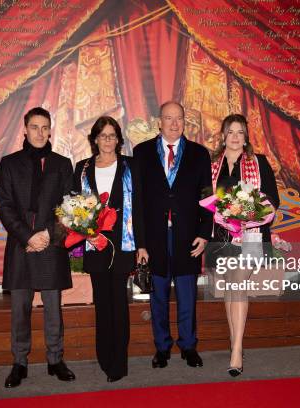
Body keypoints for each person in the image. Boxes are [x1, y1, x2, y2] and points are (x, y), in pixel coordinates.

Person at [0, 107, 76, 387]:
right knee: (20, 309)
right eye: (34, 127)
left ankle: (55, 359)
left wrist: (46, 236)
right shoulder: (9, 163)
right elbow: (4, 207)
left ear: (50, 130)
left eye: (44, 128)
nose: (40, 133)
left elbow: (70, 207)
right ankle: (19, 362)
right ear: (25, 130)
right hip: (20, 245)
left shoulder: (63, 164)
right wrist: (27, 237)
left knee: (54, 308)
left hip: (51, 245)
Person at [133, 101, 212, 369]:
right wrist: (140, 243)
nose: (174, 124)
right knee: (158, 297)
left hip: (188, 236)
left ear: (184, 121)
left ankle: (189, 346)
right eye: (169, 118)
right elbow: (138, 202)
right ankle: (162, 347)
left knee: (188, 295)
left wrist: (204, 233)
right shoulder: (141, 153)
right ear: (159, 122)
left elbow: (207, 197)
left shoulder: (199, 154)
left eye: (179, 118)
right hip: (155, 237)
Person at [73, 116, 148, 383]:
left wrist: (142, 245)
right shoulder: (81, 168)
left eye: (112, 135)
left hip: (123, 245)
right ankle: (104, 357)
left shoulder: (131, 166)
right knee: (102, 304)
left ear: (118, 139)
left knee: (118, 304)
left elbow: (138, 208)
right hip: (95, 245)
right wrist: (86, 234)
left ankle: (119, 362)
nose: (108, 140)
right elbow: (75, 209)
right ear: (95, 139)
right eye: (103, 135)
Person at [210, 114, 280, 377]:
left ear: (246, 136)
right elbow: (205, 197)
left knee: (238, 285)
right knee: (230, 288)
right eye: (231, 132)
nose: (236, 137)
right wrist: (222, 210)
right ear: (223, 136)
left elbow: (273, 198)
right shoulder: (212, 165)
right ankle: (234, 341)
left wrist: (248, 211)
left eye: (240, 132)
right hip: (220, 237)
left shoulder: (258, 162)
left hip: (250, 235)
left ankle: (237, 351)